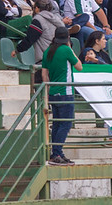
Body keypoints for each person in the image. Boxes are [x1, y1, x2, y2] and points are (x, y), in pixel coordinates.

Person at [41, 26, 81, 166]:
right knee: (66, 123)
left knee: (57, 123)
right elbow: (79, 66)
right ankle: (57, 152)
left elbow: (44, 74)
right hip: (66, 92)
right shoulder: (66, 50)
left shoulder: (48, 51)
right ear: (67, 39)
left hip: (52, 92)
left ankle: (57, 152)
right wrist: (70, 48)